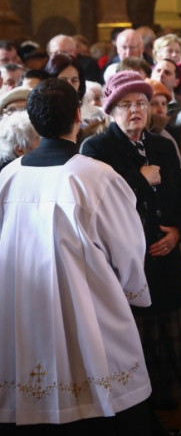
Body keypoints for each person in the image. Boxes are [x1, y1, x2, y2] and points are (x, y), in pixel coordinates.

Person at [0, 79, 153, 432]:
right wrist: (132, 292)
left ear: (33, 121)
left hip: (21, 311)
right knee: (98, 400)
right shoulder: (96, 176)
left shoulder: (7, 177)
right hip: (89, 309)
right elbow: (129, 249)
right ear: (77, 116)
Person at [80, 71, 181, 412]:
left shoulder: (162, 145)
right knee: (136, 339)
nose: (136, 110)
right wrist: (139, 179)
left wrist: (177, 232)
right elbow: (98, 207)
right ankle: (141, 411)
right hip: (128, 261)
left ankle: (166, 402)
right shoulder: (97, 148)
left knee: (168, 333)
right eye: (126, 104)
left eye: (142, 103)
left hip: (166, 253)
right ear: (110, 110)